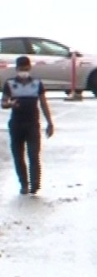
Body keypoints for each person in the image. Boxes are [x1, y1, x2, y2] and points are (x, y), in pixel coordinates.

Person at [2, 56, 54, 195]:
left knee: (33, 154)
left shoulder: (37, 84)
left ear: (29, 68)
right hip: (16, 124)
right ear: (16, 69)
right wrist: (10, 104)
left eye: (25, 69)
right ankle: (23, 184)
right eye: (21, 69)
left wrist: (49, 122)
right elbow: (3, 102)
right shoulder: (10, 84)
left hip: (32, 124)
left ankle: (35, 184)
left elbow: (43, 103)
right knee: (18, 155)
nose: (23, 72)